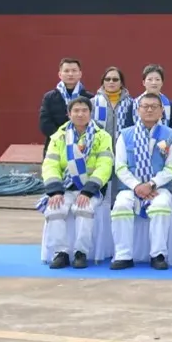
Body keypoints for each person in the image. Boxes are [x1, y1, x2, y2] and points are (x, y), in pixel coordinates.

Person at [111, 92, 172, 270]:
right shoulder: (125, 135)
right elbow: (120, 166)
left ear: (161, 111)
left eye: (154, 107)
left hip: (159, 187)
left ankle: (158, 255)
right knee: (121, 206)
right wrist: (137, 186)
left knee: (161, 206)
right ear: (138, 110)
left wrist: (151, 184)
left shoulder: (171, 135)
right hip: (130, 188)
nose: (149, 110)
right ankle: (123, 255)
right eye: (145, 106)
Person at [40, 96, 113, 269]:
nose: (80, 114)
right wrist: (55, 191)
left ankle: (81, 252)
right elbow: (50, 164)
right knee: (54, 209)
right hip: (64, 188)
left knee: (83, 209)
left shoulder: (102, 136)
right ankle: (61, 253)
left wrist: (88, 191)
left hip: (90, 189)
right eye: (76, 111)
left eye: (84, 110)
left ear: (91, 113)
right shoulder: (58, 136)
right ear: (69, 114)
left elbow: (105, 166)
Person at [39, 57, 89, 141]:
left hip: (83, 143)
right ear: (60, 74)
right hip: (56, 143)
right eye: (66, 71)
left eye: (74, 70)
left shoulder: (89, 97)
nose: (70, 74)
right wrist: (63, 137)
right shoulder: (49, 97)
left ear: (80, 74)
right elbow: (45, 124)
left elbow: (91, 122)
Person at [93, 66, 134, 133]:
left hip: (122, 139)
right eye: (107, 79)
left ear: (121, 83)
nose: (111, 82)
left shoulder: (130, 103)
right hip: (100, 139)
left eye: (115, 79)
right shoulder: (93, 102)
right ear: (103, 82)